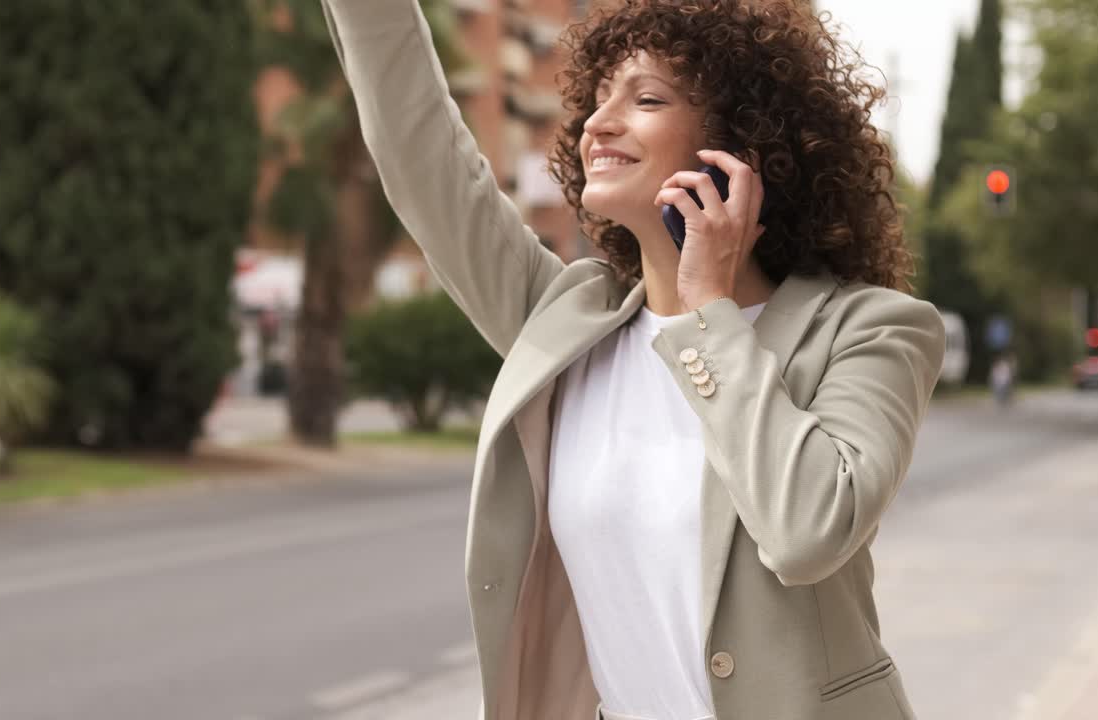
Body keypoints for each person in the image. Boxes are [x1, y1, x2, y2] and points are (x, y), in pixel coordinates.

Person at [319, 1, 945, 718]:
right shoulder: (567, 323)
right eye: (597, 99)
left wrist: (707, 306)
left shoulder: (871, 331)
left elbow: (807, 530)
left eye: (646, 98)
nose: (598, 123)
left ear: (741, 145)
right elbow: (420, 151)